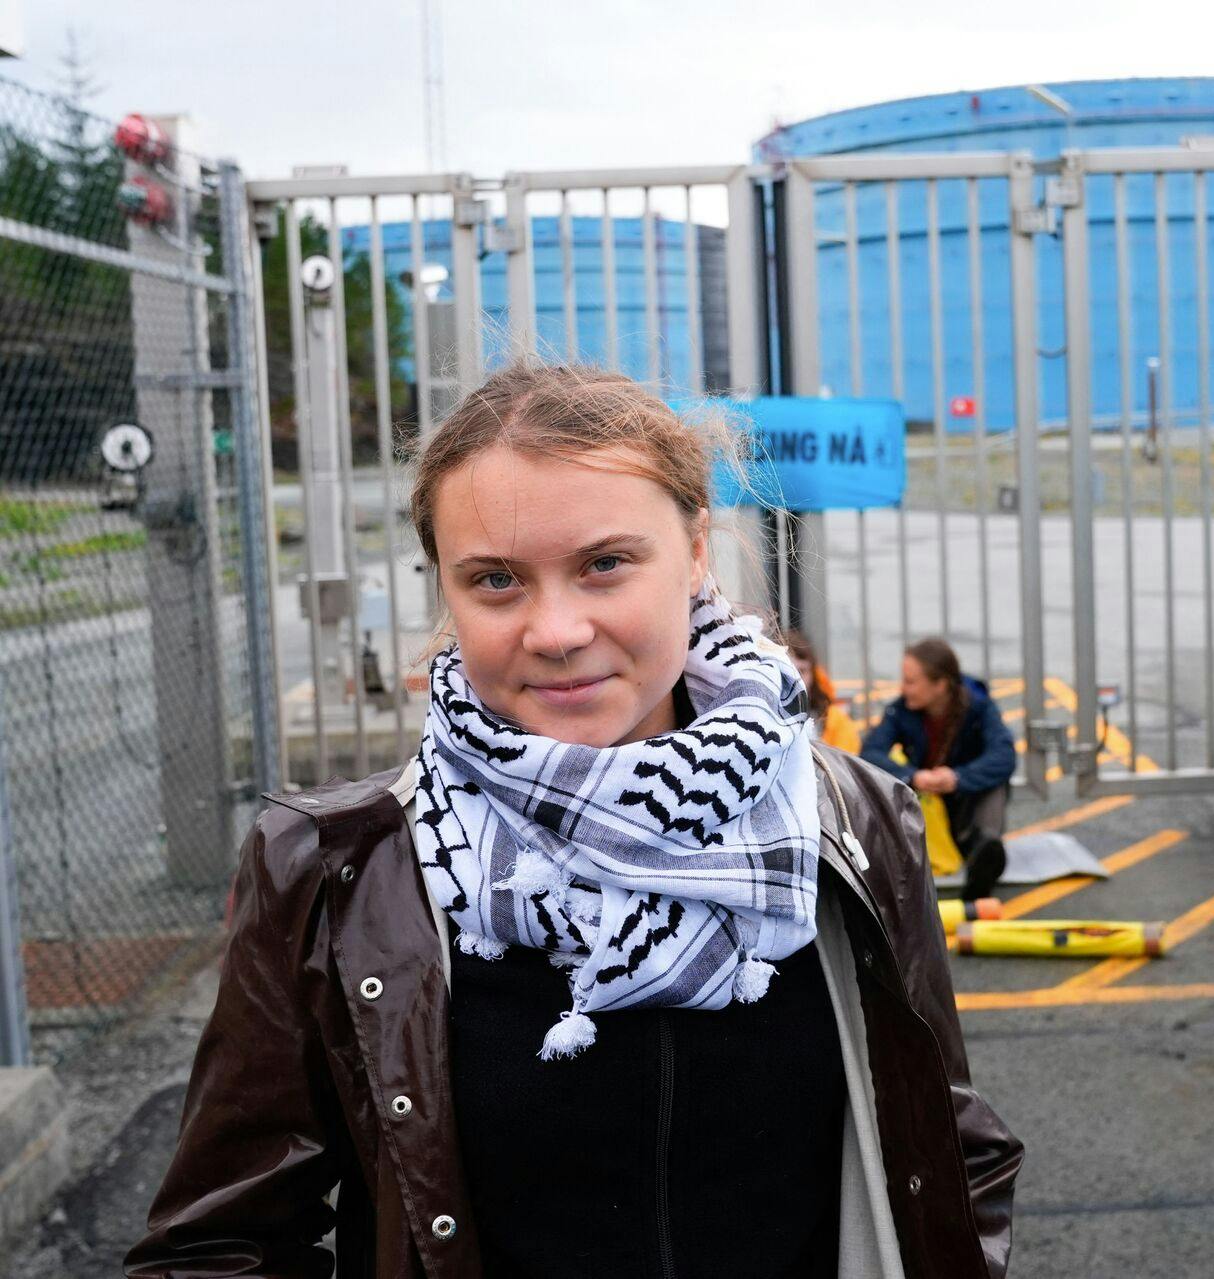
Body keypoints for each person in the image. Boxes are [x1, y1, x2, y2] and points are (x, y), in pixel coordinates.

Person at [125, 365, 1020, 1279]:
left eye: (604, 563)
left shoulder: (856, 822)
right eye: (497, 580)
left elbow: (948, 1153)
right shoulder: (338, 868)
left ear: (697, 546)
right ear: (448, 588)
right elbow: (217, 1242)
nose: (555, 630)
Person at [861, 639, 1015, 900]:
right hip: (923, 805)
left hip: (966, 801)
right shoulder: (901, 710)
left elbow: (1004, 755)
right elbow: (870, 752)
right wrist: (913, 776)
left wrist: (958, 778)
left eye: (910, 681)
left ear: (940, 685)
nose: (903, 688)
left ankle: (985, 851)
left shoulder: (979, 706)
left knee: (994, 785)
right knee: (884, 779)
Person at [785, 628, 861, 754]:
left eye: (802, 671)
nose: (795, 680)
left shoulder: (836, 720)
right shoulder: (761, 719)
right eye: (787, 671)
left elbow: (844, 768)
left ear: (813, 674)